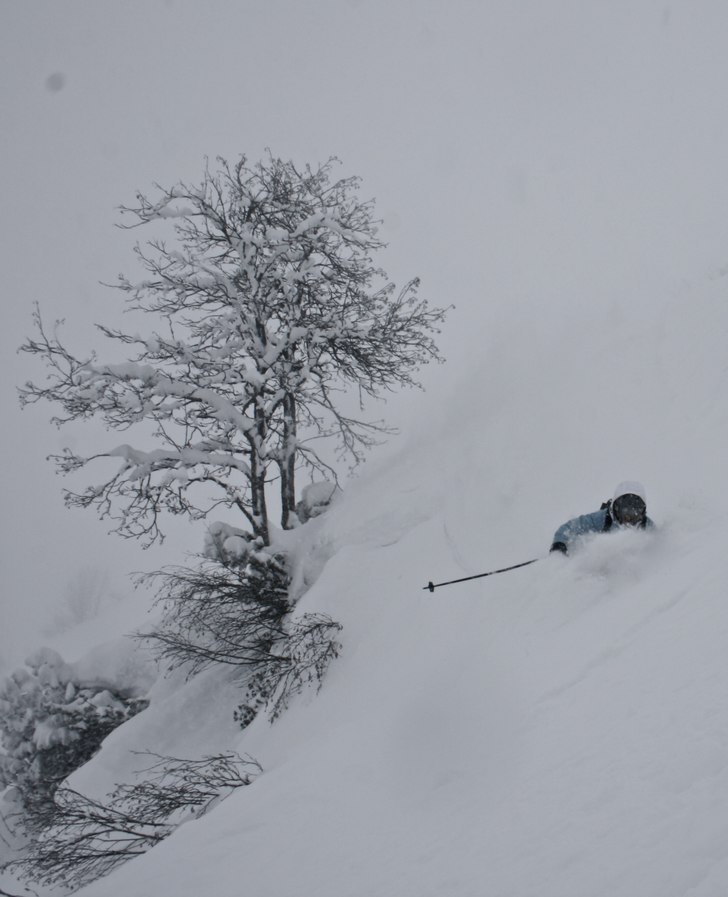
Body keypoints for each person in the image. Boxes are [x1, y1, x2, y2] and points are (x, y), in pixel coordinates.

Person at [550, 481, 654, 555]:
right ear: (615, 508)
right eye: (624, 511)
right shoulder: (603, 519)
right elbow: (569, 528)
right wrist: (559, 544)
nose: (628, 518)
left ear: (642, 511)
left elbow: (658, 549)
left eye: (634, 513)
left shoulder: (647, 526)